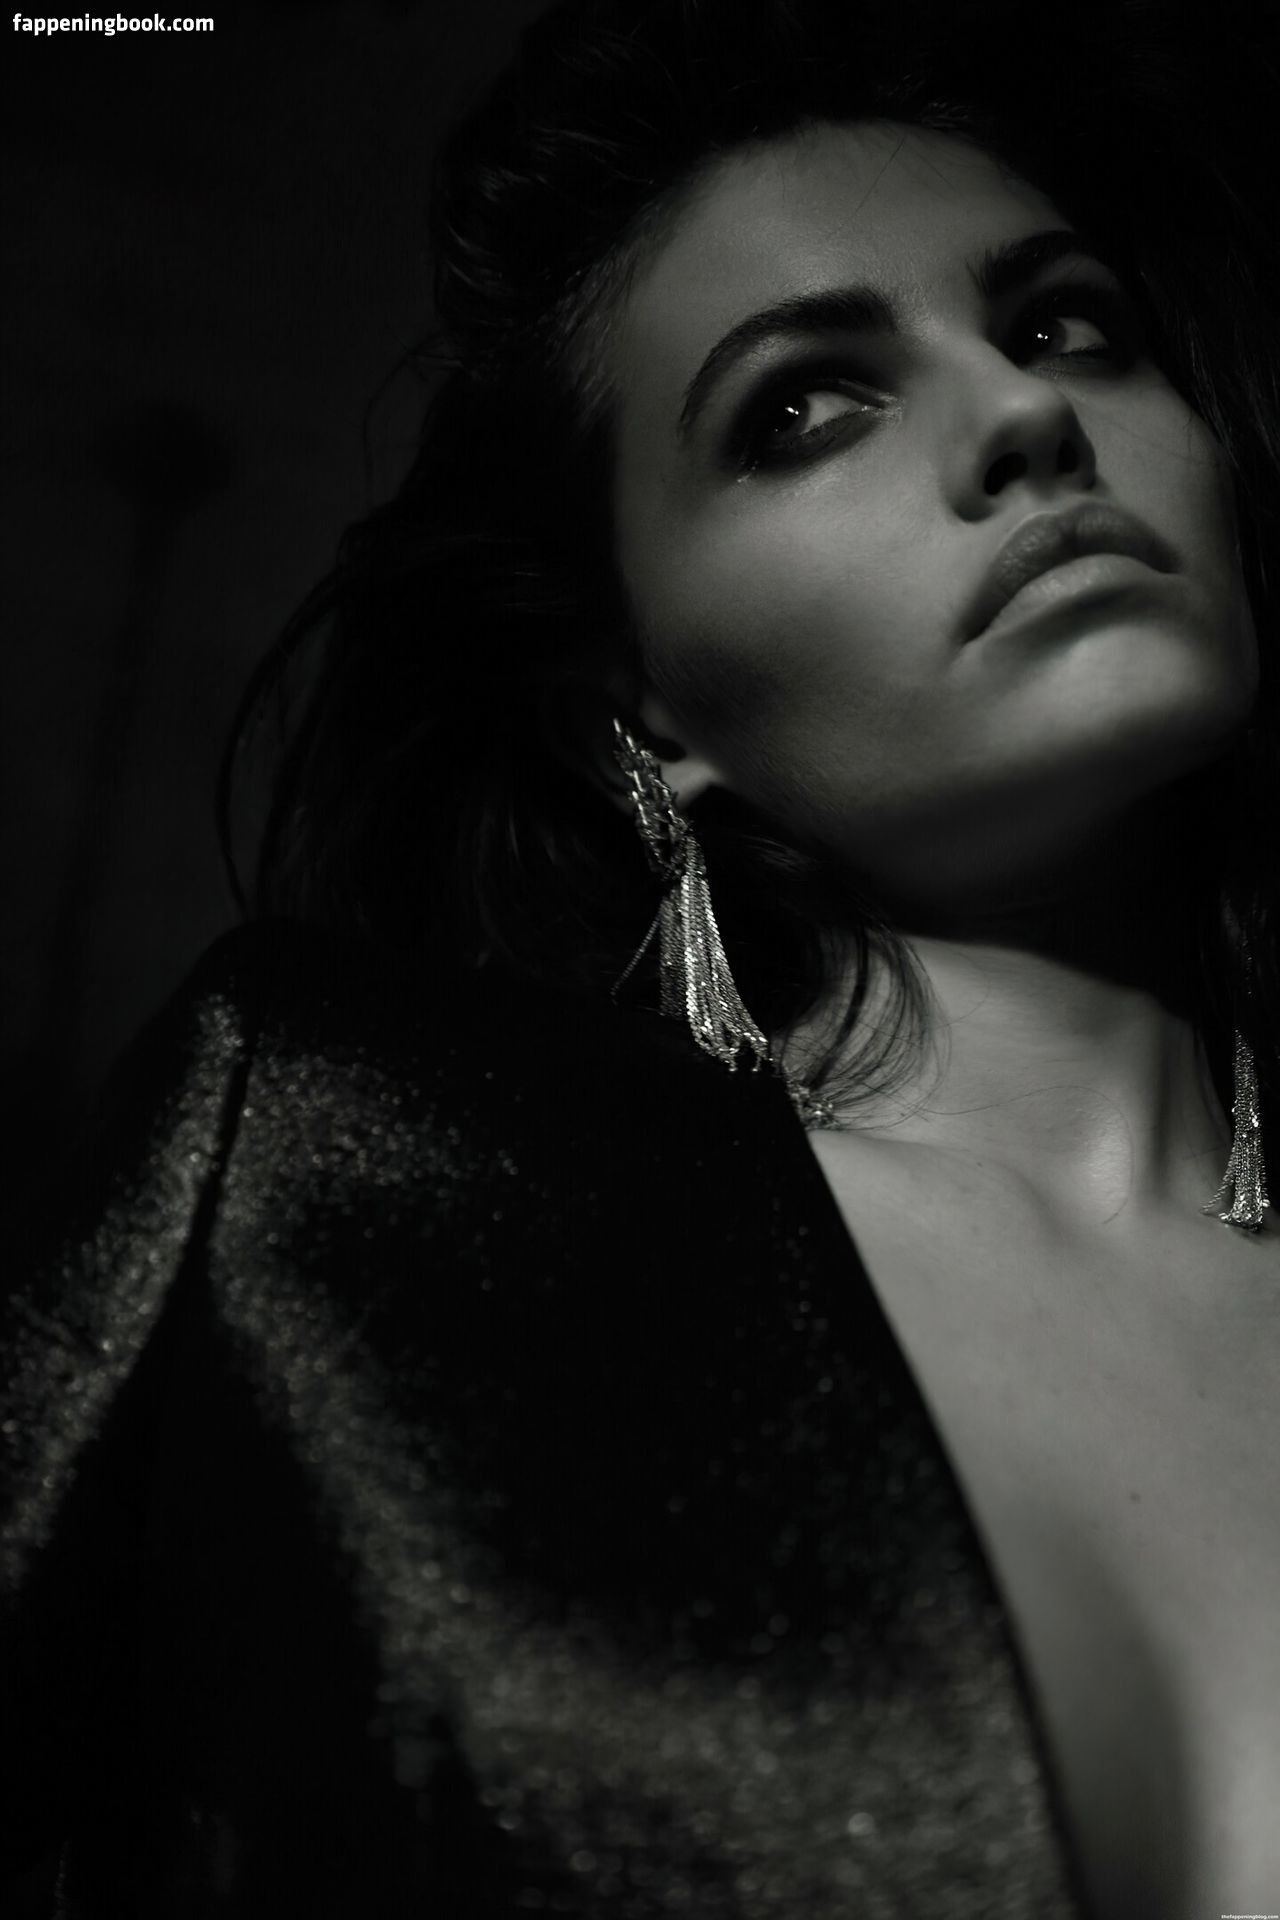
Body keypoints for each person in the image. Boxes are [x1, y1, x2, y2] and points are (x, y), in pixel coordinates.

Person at [3, 1, 1277, 1915]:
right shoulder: (340, 1183)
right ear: (645, 698)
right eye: (803, 408)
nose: (1027, 419)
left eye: (1064, 325)